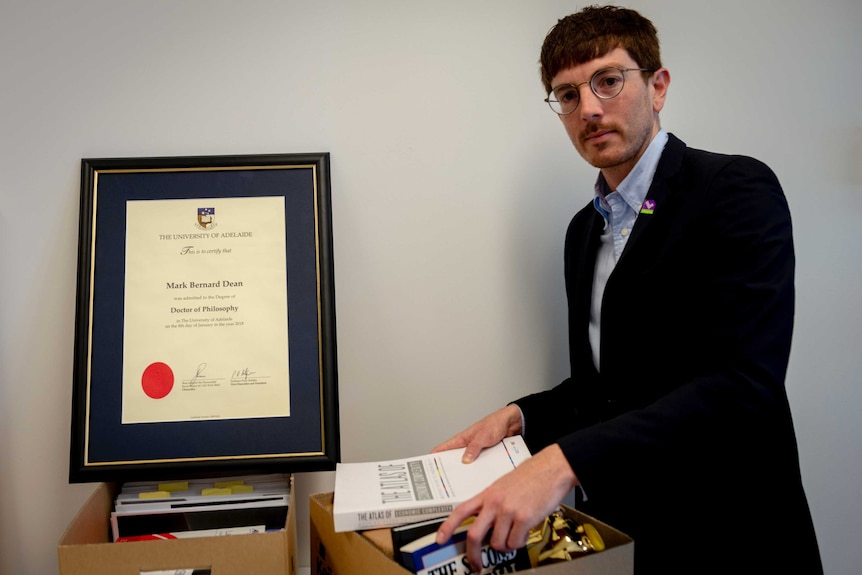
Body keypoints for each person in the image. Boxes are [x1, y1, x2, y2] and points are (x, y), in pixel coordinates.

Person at [432, 6, 822, 574]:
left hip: (734, 534)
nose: (589, 108)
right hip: (632, 538)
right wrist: (518, 417)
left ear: (657, 87)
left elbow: (745, 385)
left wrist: (562, 462)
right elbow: (605, 390)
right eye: (567, 95)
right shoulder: (582, 231)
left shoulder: (734, 189)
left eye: (608, 81)